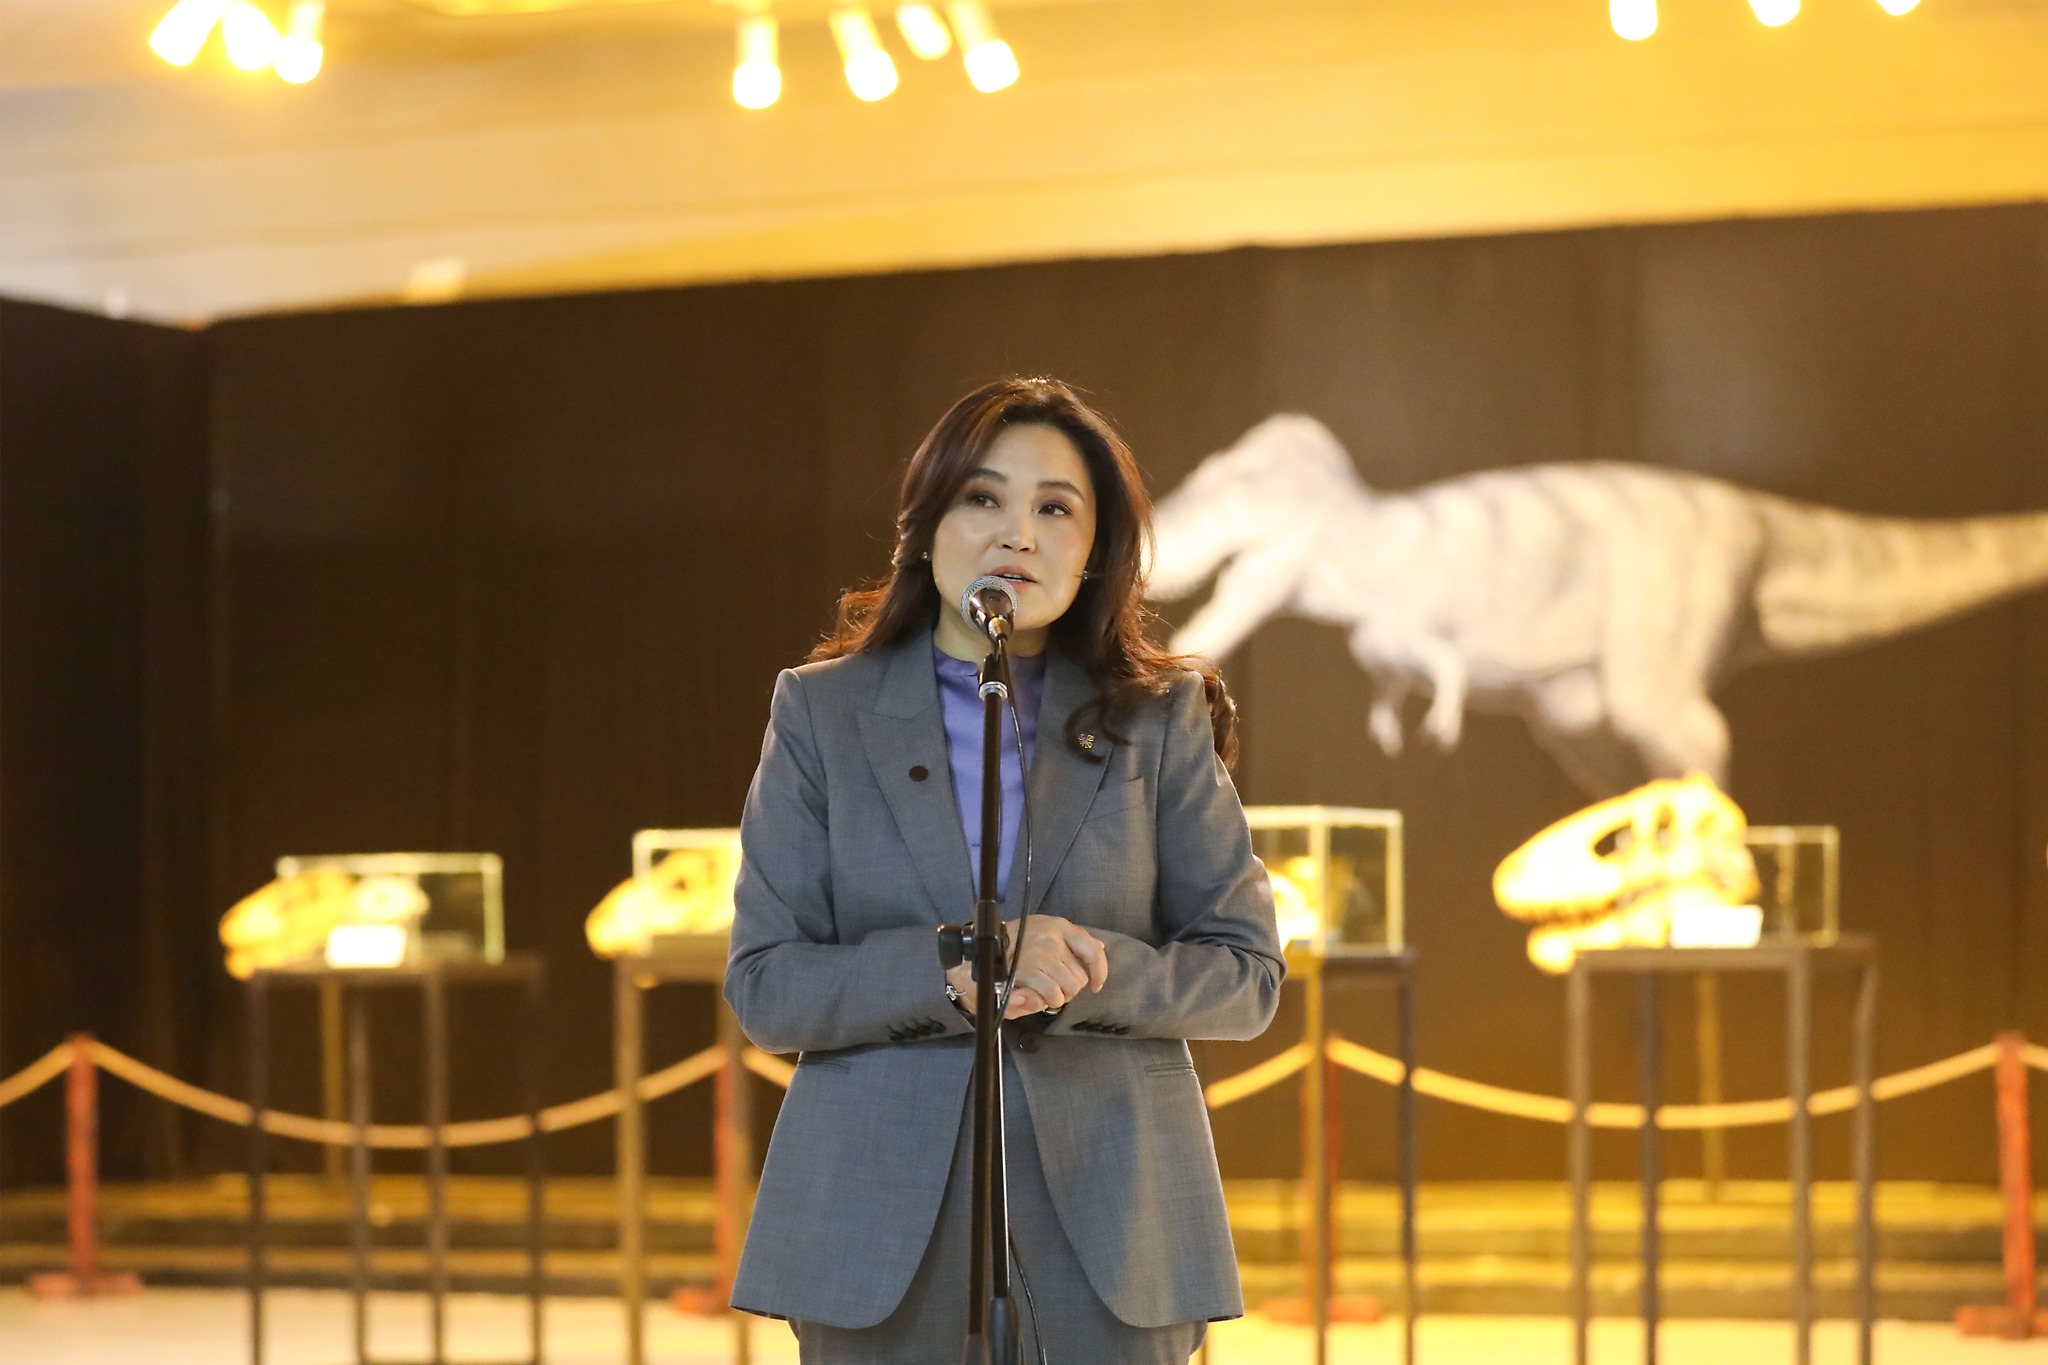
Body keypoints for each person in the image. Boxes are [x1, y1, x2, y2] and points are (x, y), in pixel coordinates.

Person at [724, 376, 1284, 1363]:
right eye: (982, 497)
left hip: (1118, 1226)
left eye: (1055, 509)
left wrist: (1079, 967)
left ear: (1096, 549)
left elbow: (1245, 976)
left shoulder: (1159, 718)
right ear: (925, 525)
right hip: (876, 1226)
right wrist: (957, 963)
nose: (1017, 533)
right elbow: (768, 987)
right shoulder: (821, 712)